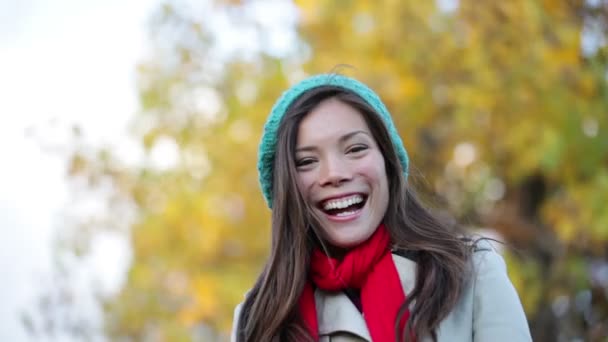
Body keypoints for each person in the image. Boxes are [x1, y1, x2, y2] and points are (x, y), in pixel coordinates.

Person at [231, 74, 532, 342]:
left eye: (355, 148)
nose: (335, 173)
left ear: (388, 162)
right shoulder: (259, 317)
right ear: (286, 190)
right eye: (307, 161)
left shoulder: (470, 272)